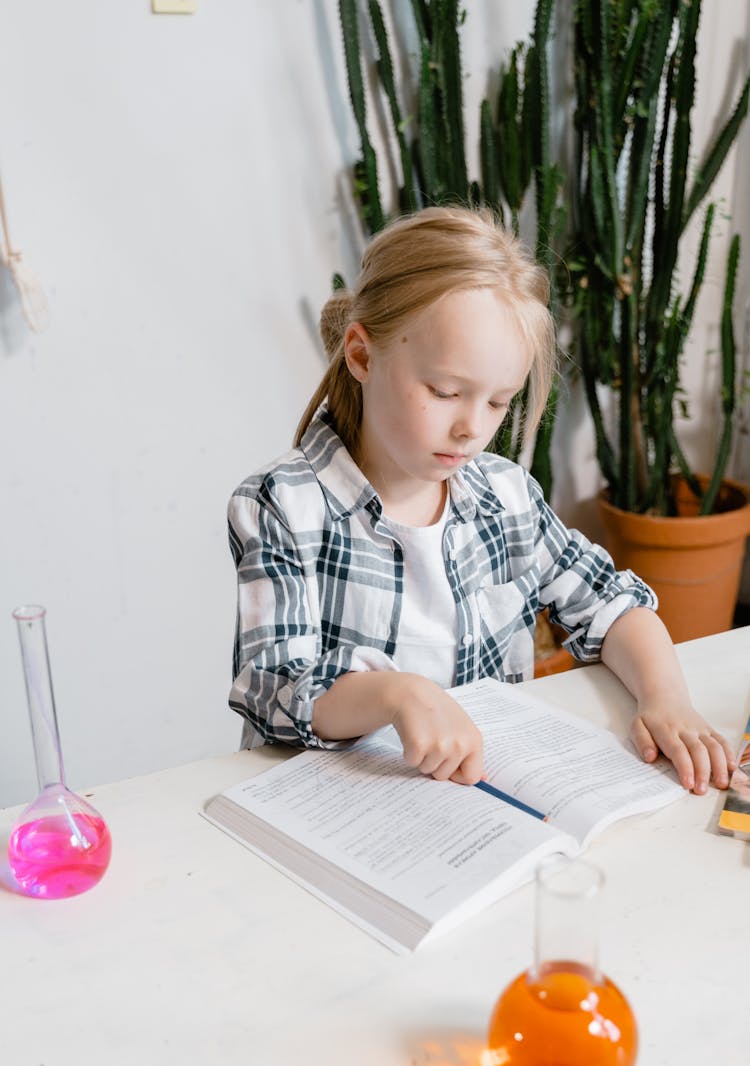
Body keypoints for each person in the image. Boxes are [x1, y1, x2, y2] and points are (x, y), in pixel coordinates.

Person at [228, 206, 735, 794]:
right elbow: (273, 688)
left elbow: (610, 603)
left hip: (480, 800)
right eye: (445, 391)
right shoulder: (284, 505)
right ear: (362, 356)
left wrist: (666, 698)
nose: (472, 427)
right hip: (341, 802)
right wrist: (398, 695)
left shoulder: (505, 494)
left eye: (499, 402)